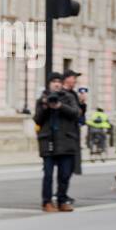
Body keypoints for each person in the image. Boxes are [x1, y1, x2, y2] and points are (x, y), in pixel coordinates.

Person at [34, 72, 80, 212]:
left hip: (66, 140)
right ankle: (46, 202)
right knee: (48, 174)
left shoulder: (69, 97)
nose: (56, 83)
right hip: (48, 140)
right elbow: (37, 120)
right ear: (49, 84)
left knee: (64, 174)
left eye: (59, 81)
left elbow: (75, 113)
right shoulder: (42, 99)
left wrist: (60, 106)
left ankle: (62, 200)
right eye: (53, 81)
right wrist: (45, 107)